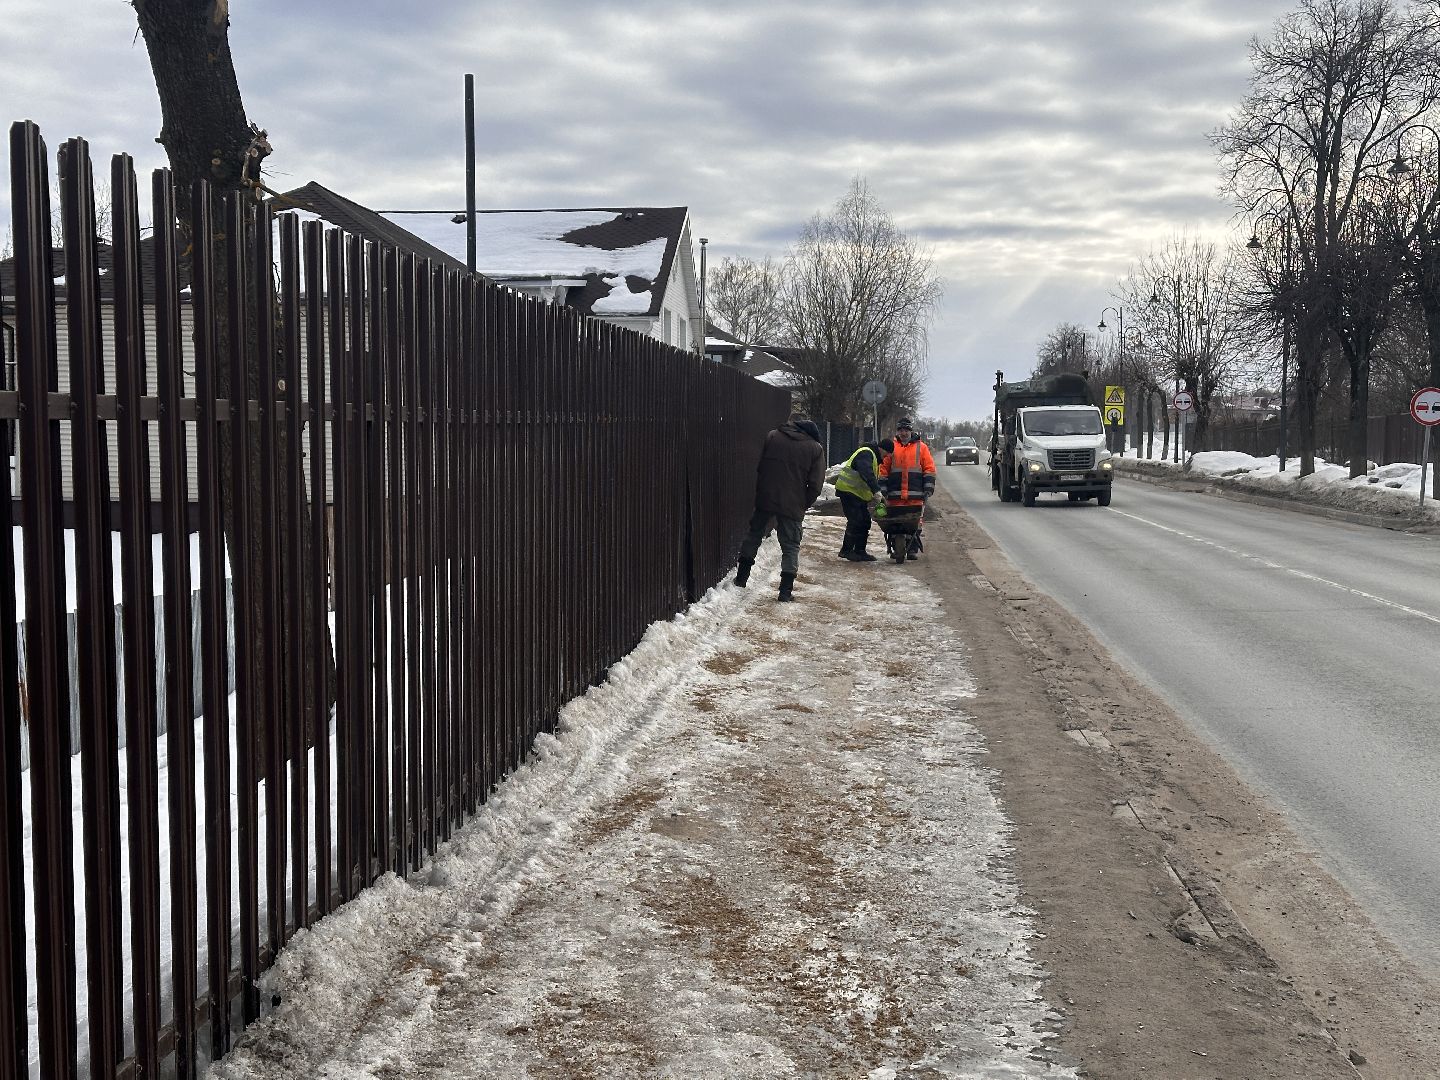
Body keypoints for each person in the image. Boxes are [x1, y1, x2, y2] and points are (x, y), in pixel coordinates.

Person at [733, 416, 826, 601]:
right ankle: (785, 592)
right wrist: (803, 503)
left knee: (754, 535)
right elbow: (816, 484)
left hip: (766, 496)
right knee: (791, 545)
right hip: (793, 502)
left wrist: (763, 491)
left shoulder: (773, 436)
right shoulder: (815, 448)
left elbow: (761, 467)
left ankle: (741, 579)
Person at [878, 417, 936, 560]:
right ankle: (894, 544)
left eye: (906, 430)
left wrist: (928, 487)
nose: (903, 433)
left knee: (914, 522)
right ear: (897, 431)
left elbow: (929, 468)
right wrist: (883, 488)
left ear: (911, 431)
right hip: (894, 494)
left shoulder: (921, 447)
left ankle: (912, 548)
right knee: (894, 521)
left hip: (915, 495)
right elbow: (883, 469)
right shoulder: (892, 447)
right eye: (901, 430)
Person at [832, 439, 892, 561]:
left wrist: (875, 496)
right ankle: (846, 551)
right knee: (856, 520)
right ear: (882, 449)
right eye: (886, 454)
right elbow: (866, 473)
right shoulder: (866, 453)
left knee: (865, 521)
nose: (886, 457)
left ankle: (860, 551)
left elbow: (869, 479)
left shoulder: (873, 457)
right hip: (848, 491)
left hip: (857, 494)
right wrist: (876, 491)